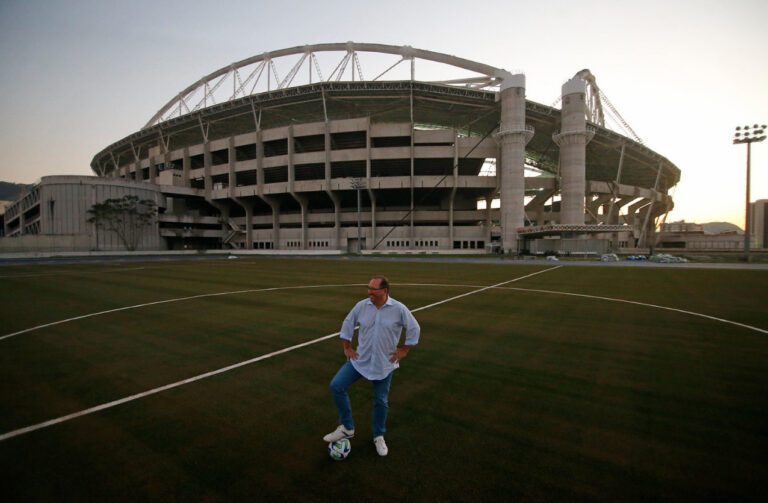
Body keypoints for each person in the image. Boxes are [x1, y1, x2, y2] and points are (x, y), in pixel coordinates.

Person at [323, 275, 420, 456]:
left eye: (373, 289)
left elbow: (414, 328)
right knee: (336, 385)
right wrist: (347, 347)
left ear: (384, 291)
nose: (369, 292)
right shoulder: (362, 306)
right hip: (360, 360)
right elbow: (348, 323)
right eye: (368, 288)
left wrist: (404, 350)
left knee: (381, 401)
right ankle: (347, 427)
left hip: (384, 364)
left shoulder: (398, 309)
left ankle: (378, 436)